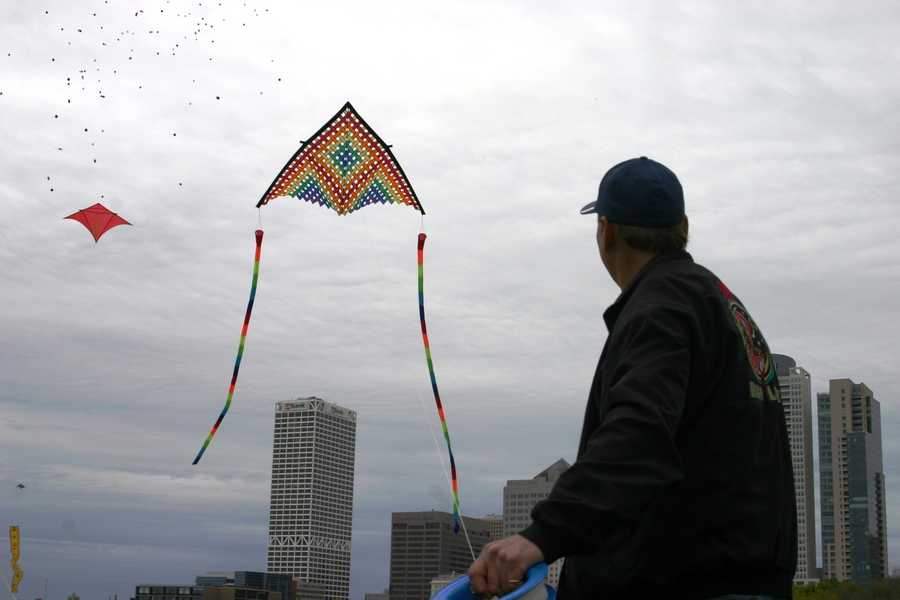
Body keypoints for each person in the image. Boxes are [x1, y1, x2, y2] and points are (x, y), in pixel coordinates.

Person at [468, 157, 797, 599]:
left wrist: (541, 535)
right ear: (682, 226)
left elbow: (640, 434)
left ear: (606, 231)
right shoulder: (722, 307)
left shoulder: (661, 308)